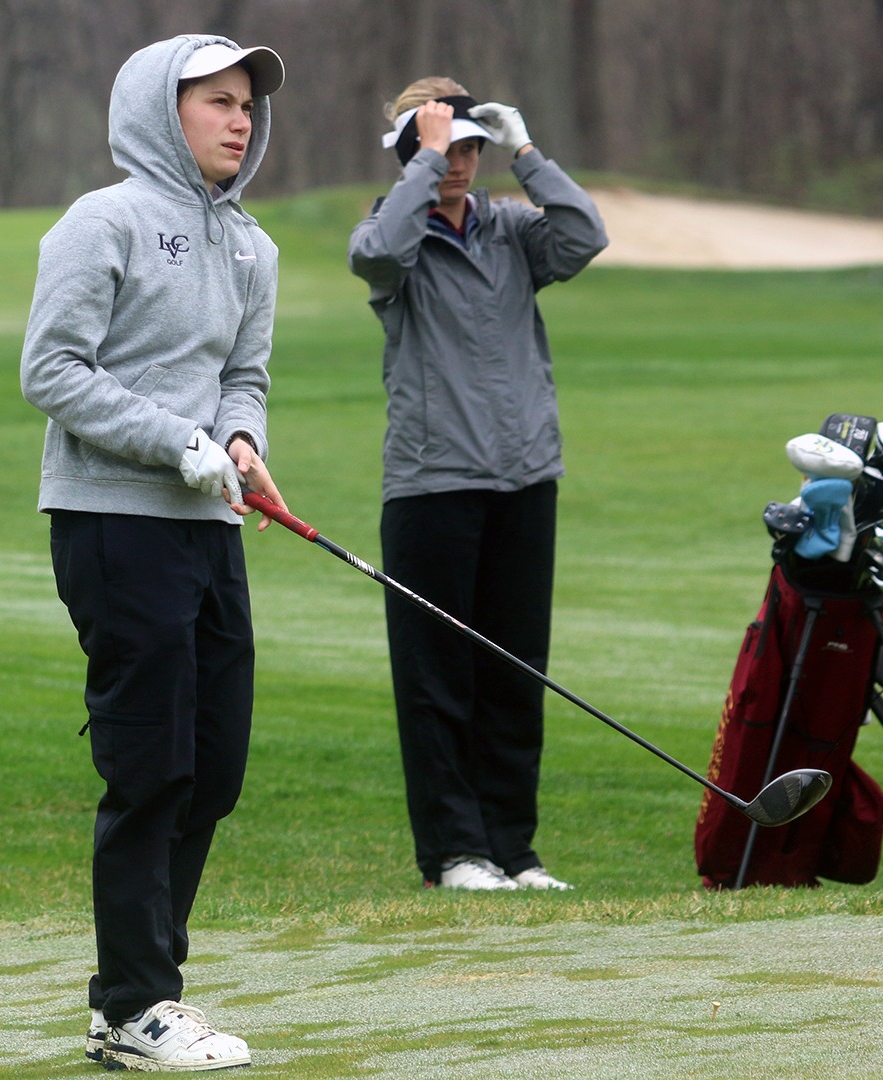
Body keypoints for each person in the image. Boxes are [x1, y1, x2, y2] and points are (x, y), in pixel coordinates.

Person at [19, 34, 289, 1072]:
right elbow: (53, 370)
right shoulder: (105, 222)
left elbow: (243, 376)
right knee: (151, 768)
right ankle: (139, 1002)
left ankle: (132, 994)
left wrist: (236, 439)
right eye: (216, 101)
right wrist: (173, 440)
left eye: (246, 106)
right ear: (156, 112)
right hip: (113, 525)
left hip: (208, 527)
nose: (239, 119)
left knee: (213, 768)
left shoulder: (252, 245)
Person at [347, 78, 608, 893]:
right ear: (412, 155)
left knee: (515, 672)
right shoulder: (393, 236)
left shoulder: (511, 231)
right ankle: (456, 852)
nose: (457, 163)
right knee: (438, 678)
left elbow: (585, 234)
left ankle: (514, 850)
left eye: (466, 147)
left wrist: (528, 151)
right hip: (432, 485)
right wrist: (420, 159)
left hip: (525, 475)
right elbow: (377, 254)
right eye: (440, 149)